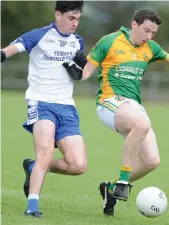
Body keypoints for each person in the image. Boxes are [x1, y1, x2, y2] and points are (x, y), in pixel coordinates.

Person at [63, 8, 169, 216]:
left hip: (133, 107)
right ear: (134, 24)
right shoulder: (109, 41)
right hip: (109, 102)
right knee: (141, 124)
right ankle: (123, 181)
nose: (149, 36)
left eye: (153, 33)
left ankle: (110, 190)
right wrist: (75, 70)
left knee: (151, 161)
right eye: (146, 31)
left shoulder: (151, 48)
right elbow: (85, 73)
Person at [1, 1, 88, 219]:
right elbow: (8, 51)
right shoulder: (39, 35)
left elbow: (76, 76)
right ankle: (32, 206)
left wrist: (80, 66)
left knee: (78, 165)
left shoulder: (77, 42)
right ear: (57, 14)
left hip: (67, 107)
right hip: (41, 103)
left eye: (78, 18)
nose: (74, 23)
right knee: (46, 152)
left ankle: (34, 167)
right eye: (70, 18)